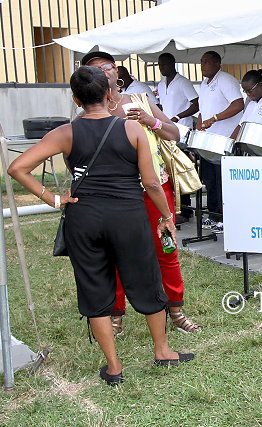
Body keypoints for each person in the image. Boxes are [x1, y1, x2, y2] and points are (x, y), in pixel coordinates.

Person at [8, 66, 194, 386]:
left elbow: (17, 168)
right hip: (129, 216)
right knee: (147, 281)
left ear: (76, 99)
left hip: (84, 218)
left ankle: (114, 367)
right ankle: (163, 351)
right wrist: (166, 216)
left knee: (95, 288)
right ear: (109, 94)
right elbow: (151, 183)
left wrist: (53, 198)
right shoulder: (132, 129)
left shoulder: (65, 133)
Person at [80, 51, 201, 335]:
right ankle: (116, 315)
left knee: (166, 248)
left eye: (107, 66)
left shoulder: (140, 100)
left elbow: (174, 134)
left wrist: (150, 120)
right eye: (95, 69)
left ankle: (176, 310)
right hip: (114, 194)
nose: (103, 72)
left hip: (155, 189)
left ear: (116, 71)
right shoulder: (88, 111)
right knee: (114, 254)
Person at [197, 50, 244, 232]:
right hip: (208, 142)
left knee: (222, 181)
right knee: (210, 180)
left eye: (207, 62)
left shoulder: (225, 80)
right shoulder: (204, 84)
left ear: (218, 63)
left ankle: (226, 217)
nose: (203, 65)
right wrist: (199, 127)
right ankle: (213, 214)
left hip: (224, 140)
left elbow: (238, 104)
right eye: (201, 62)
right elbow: (203, 110)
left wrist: (215, 118)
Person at [156, 52, 200, 224]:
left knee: (181, 169)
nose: (162, 68)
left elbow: (196, 104)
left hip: (181, 131)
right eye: (160, 65)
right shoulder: (161, 84)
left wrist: (177, 117)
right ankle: (175, 207)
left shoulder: (183, 82)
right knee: (169, 170)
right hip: (166, 131)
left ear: (172, 64)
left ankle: (186, 210)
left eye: (165, 64)